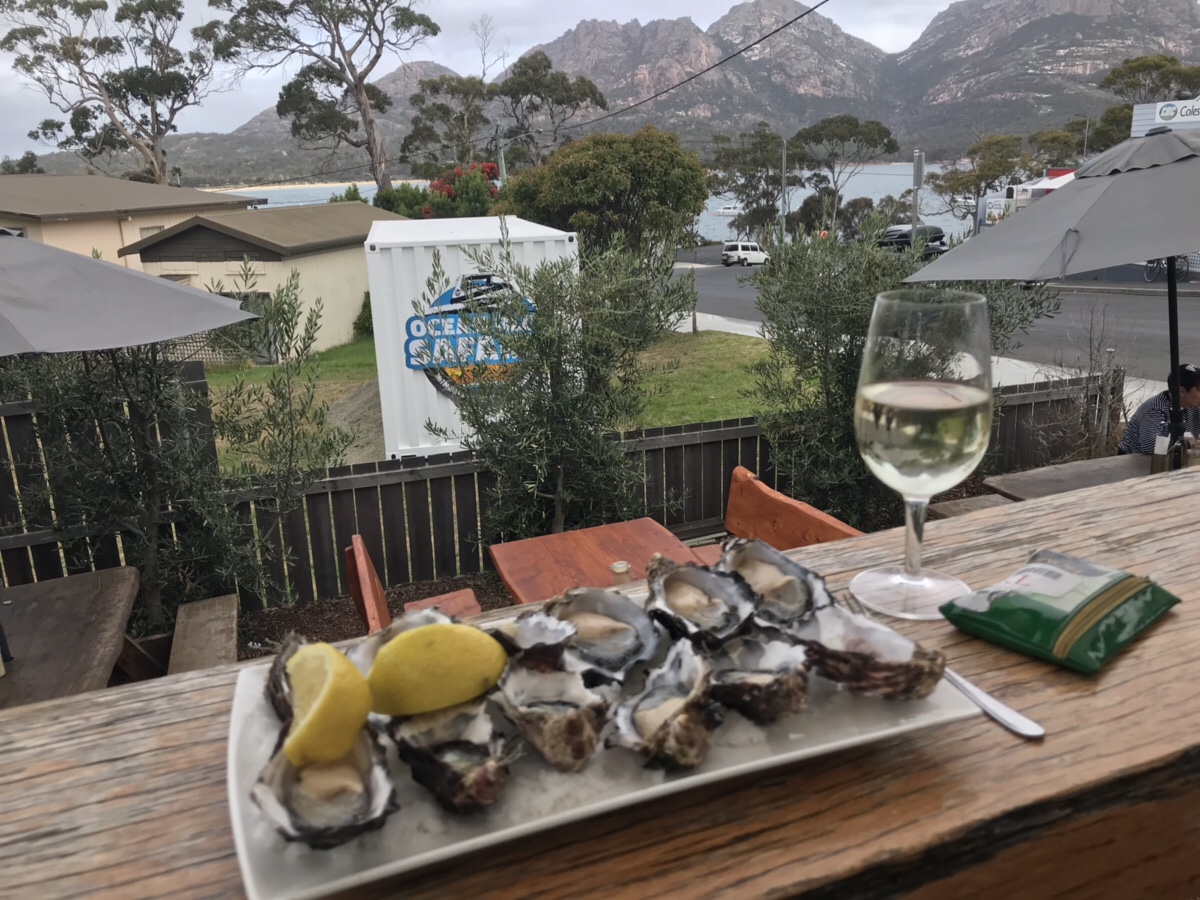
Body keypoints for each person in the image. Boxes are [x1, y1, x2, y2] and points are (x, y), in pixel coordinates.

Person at [1118, 363, 1200, 454]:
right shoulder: (1155, 409)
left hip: (1170, 458)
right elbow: (1150, 446)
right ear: (1181, 392)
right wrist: (1186, 443)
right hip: (1134, 458)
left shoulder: (1194, 408)